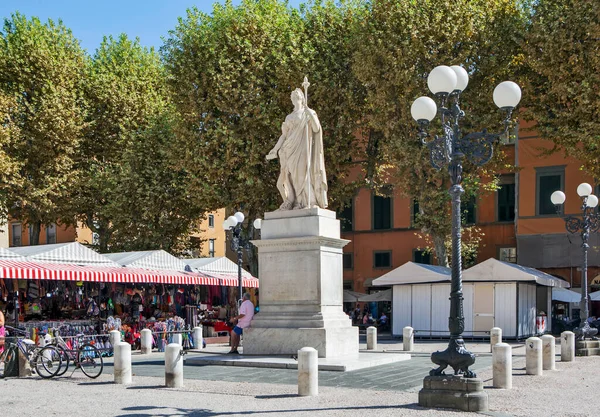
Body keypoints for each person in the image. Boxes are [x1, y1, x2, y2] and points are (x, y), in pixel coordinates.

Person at [266, 85, 328, 210]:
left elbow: (316, 128)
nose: (294, 100)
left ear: (302, 99)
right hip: (289, 149)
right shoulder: (289, 117)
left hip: (303, 148)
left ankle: (309, 202)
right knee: (292, 177)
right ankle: (296, 203)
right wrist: (275, 149)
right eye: (293, 98)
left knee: (303, 174)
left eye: (297, 98)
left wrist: (311, 114)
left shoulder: (308, 113)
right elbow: (284, 136)